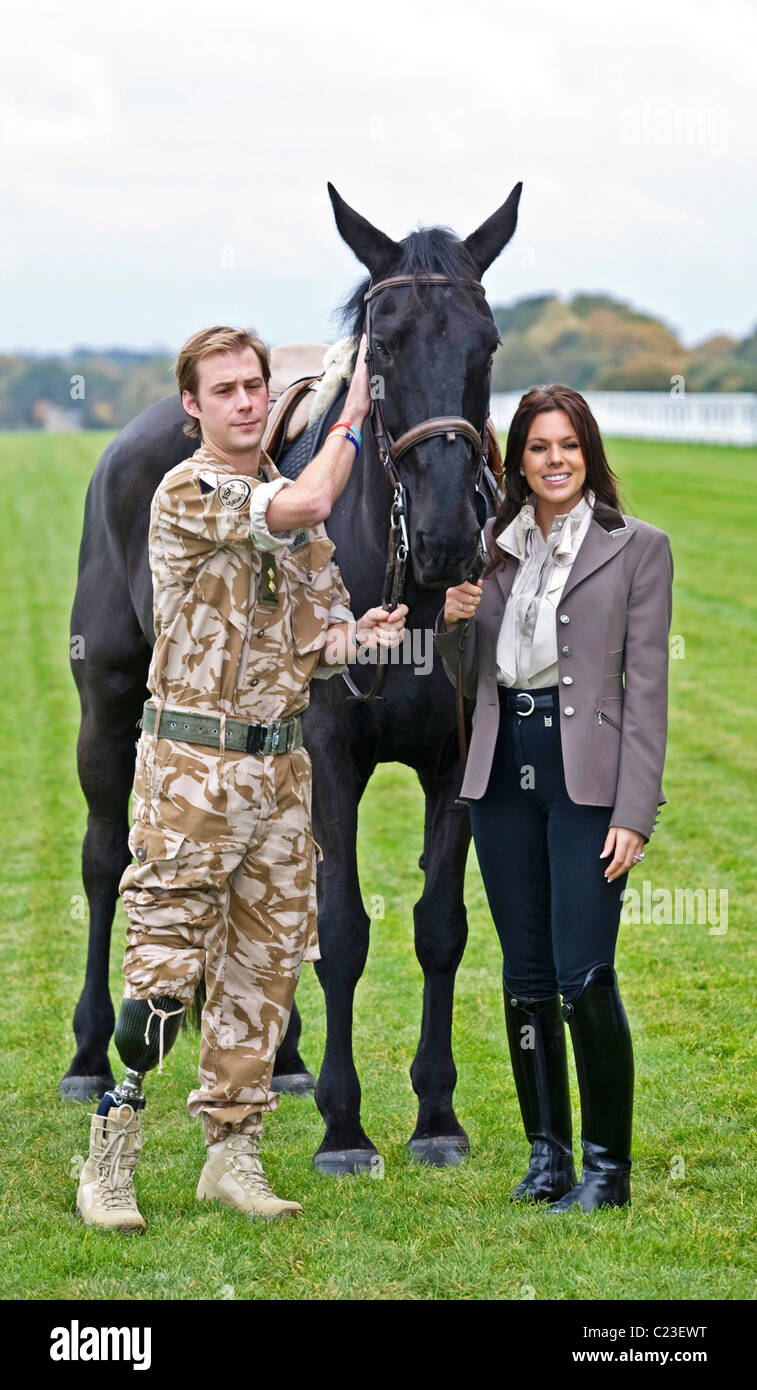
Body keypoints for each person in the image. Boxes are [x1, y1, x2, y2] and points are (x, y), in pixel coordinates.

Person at [76, 326, 407, 1232]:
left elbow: (322, 635)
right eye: (222, 389)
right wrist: (352, 414)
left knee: (263, 976)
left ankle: (233, 1155)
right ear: (192, 406)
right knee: (161, 974)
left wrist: (363, 635)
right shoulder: (191, 492)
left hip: (279, 774)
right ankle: (110, 1157)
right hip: (192, 769)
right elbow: (303, 507)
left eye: (254, 385)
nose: (245, 401)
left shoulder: (287, 513)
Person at [433, 385, 673, 1212]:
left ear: (588, 451)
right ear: (519, 461)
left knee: (584, 974)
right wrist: (456, 623)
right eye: (537, 447)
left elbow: (646, 693)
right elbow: (468, 681)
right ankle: (547, 1159)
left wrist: (633, 814)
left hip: (588, 781)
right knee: (525, 974)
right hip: (503, 773)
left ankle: (606, 1172)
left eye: (567, 444)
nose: (555, 460)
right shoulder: (492, 551)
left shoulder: (637, 548)